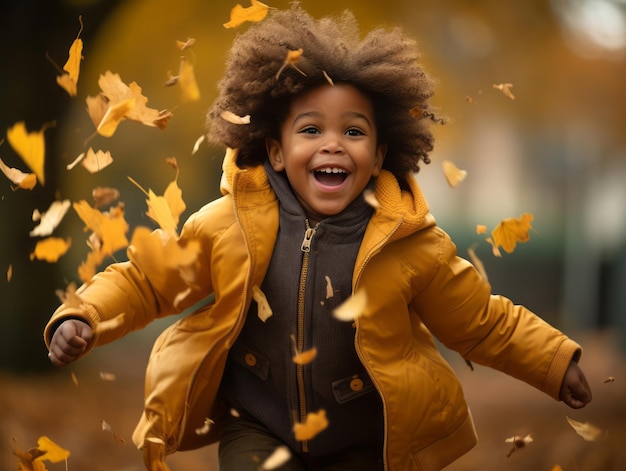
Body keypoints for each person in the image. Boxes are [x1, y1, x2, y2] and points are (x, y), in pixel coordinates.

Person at [45, 3, 592, 470]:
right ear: (276, 150)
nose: (333, 145)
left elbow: (480, 322)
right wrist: (84, 316)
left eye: (353, 131)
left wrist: (552, 363)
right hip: (256, 422)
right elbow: (147, 282)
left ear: (379, 155)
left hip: (363, 435)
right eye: (311, 129)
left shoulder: (411, 245)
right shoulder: (225, 224)